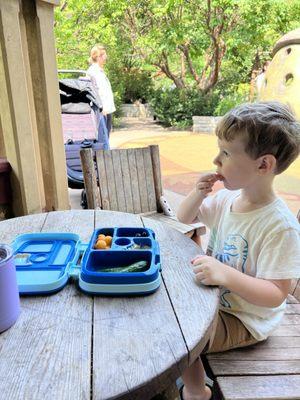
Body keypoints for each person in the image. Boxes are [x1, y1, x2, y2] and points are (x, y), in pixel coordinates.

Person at [176, 101, 300, 400]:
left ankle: (196, 392)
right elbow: (184, 217)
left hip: (246, 318)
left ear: (263, 165)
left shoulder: (278, 225)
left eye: (227, 153)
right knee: (170, 309)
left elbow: (275, 294)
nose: (216, 160)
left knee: (179, 335)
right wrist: (198, 192)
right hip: (218, 301)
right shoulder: (227, 200)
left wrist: (226, 275)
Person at [86, 44, 116, 136]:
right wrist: (102, 110)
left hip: (106, 110)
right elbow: (95, 92)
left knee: (106, 137)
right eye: (104, 55)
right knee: (103, 139)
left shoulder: (99, 71)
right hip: (102, 111)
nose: (106, 57)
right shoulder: (93, 72)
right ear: (99, 57)